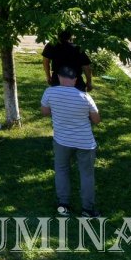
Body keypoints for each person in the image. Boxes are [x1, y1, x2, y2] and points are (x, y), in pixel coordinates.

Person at [40, 65, 100, 217]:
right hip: (85, 142)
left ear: (59, 77)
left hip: (61, 140)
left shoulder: (49, 92)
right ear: (75, 79)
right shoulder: (85, 97)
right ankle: (87, 209)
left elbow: (45, 112)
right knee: (86, 174)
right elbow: (96, 120)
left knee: (61, 170)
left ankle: (63, 205)